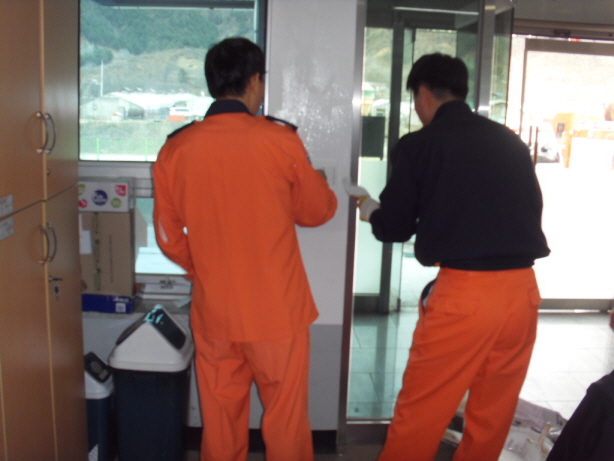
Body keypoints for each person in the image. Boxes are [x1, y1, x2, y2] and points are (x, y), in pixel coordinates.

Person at [350, 53, 550, 461]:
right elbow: (529, 208)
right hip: (522, 294)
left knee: (421, 412)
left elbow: (396, 227)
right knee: (492, 413)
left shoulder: (419, 145)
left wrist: (369, 208)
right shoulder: (509, 140)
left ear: (422, 94)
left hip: (466, 297)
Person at [153, 37, 337, 461]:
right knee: (286, 420)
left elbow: (167, 236)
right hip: (278, 312)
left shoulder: (176, 148)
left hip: (215, 312)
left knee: (220, 422)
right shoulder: (280, 140)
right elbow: (316, 212)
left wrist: (200, 270)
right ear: (254, 81)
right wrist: (316, 185)